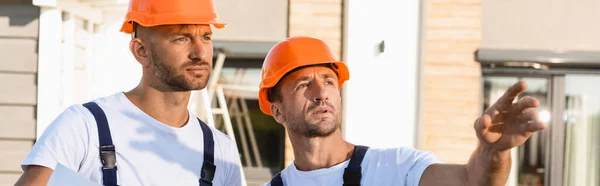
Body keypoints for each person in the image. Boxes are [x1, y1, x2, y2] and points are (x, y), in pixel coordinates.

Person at [258, 36, 547, 186]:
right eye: (303, 85)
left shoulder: (395, 168)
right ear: (278, 111)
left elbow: (472, 182)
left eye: (329, 81)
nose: (321, 93)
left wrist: (493, 152)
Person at [14, 0, 243, 185]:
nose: (199, 52)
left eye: (206, 37)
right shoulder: (84, 127)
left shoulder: (219, 150)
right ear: (141, 51)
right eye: (181, 38)